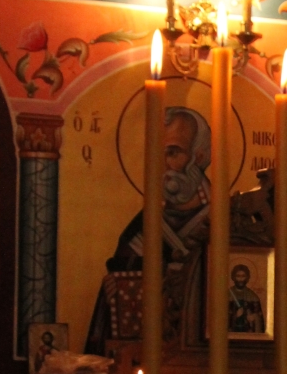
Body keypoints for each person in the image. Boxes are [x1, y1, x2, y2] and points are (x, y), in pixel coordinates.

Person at [85, 106, 211, 354]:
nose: (163, 166)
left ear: (198, 157)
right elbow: (121, 301)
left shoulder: (226, 223)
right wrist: (114, 293)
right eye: (157, 154)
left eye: (173, 153)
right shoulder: (141, 230)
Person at [228, 264, 265, 334]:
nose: (240, 279)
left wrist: (254, 318)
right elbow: (219, 319)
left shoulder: (253, 296)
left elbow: (259, 320)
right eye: (238, 276)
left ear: (247, 277)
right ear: (233, 277)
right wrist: (235, 316)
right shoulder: (227, 295)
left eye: (243, 276)